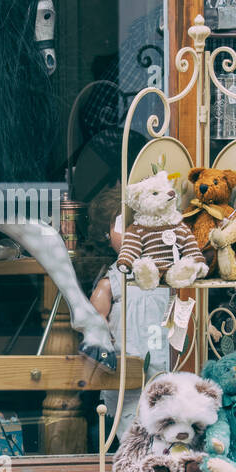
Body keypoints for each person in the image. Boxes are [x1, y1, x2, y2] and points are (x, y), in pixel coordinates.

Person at [85, 185, 170, 441]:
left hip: (166, 364)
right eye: (124, 225)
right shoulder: (111, 283)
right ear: (106, 233)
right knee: (129, 425)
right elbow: (95, 320)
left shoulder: (168, 277)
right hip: (126, 368)